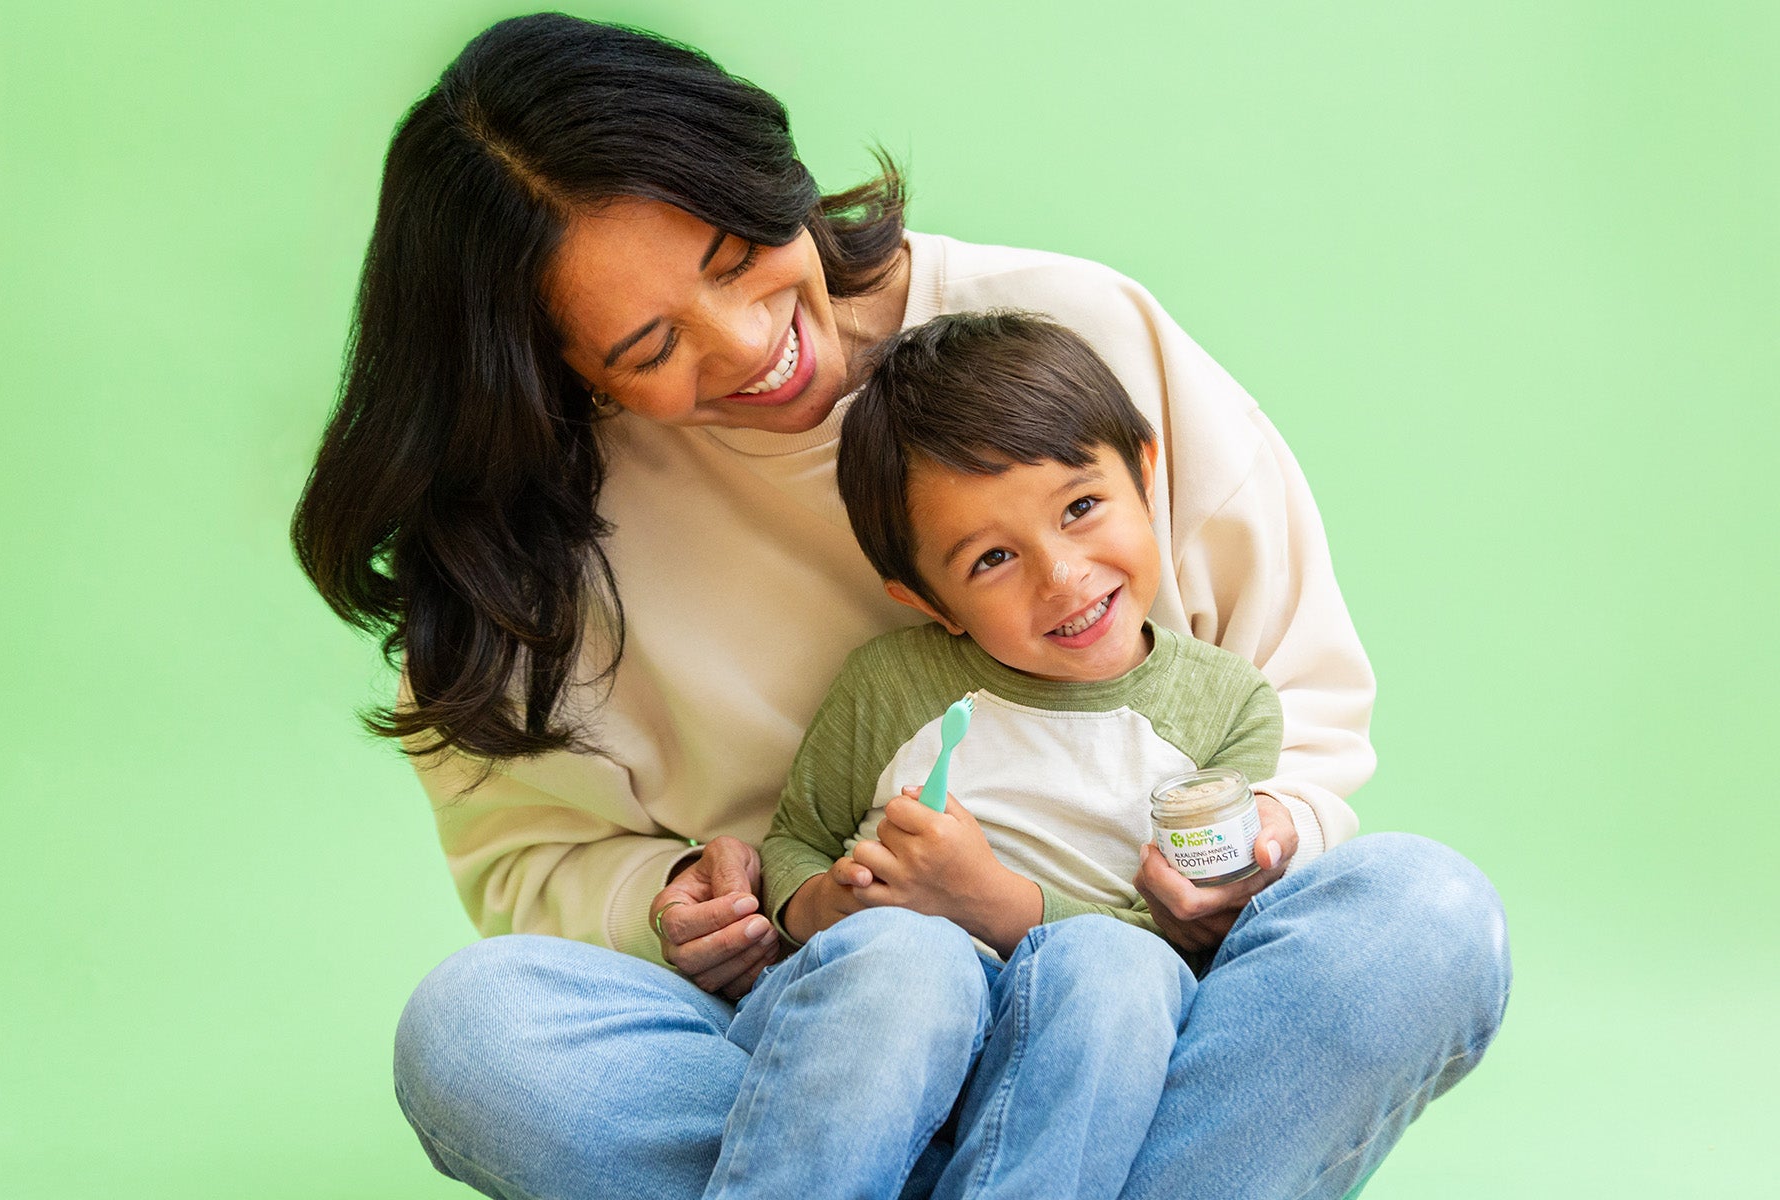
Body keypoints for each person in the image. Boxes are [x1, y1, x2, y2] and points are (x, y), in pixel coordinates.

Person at [290, 13, 1510, 1200]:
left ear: (770, 177)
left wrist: (1254, 844)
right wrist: (681, 905)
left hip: (1149, 1015)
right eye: (651, 348)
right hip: (811, 1043)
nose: (749, 343)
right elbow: (532, 862)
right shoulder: (531, 540)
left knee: (1423, 917)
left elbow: (1298, 702)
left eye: (737, 257)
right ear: (551, 370)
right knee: (478, 1031)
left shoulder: (1075, 329)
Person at [710, 310, 1284, 1199]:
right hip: (867, 1050)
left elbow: (1191, 942)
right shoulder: (892, 685)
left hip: (1079, 1069)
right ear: (928, 600)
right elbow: (795, 842)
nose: (1061, 576)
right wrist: (829, 903)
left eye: (1081, 508)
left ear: (1145, 474)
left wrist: (993, 901)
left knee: (1121, 968)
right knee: (906, 959)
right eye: (992, 559)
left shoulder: (1227, 708)